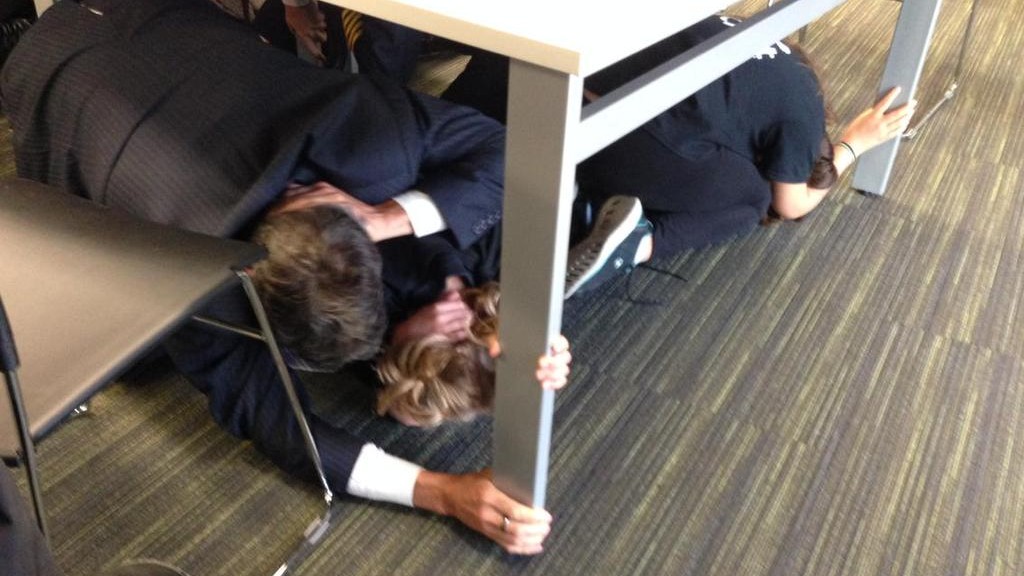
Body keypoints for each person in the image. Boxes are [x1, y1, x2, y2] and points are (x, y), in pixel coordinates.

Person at [1, 0, 552, 553]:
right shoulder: (190, 278)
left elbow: (504, 153)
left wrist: (527, 321)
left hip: (181, 31)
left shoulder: (373, 145)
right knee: (136, 361)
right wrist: (439, 491)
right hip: (55, 61)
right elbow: (274, 421)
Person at [440, 15, 917, 298]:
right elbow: (792, 204)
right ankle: (635, 244)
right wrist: (853, 144)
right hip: (603, 129)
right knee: (753, 201)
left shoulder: (760, 40)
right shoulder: (803, 114)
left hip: (531, 76)